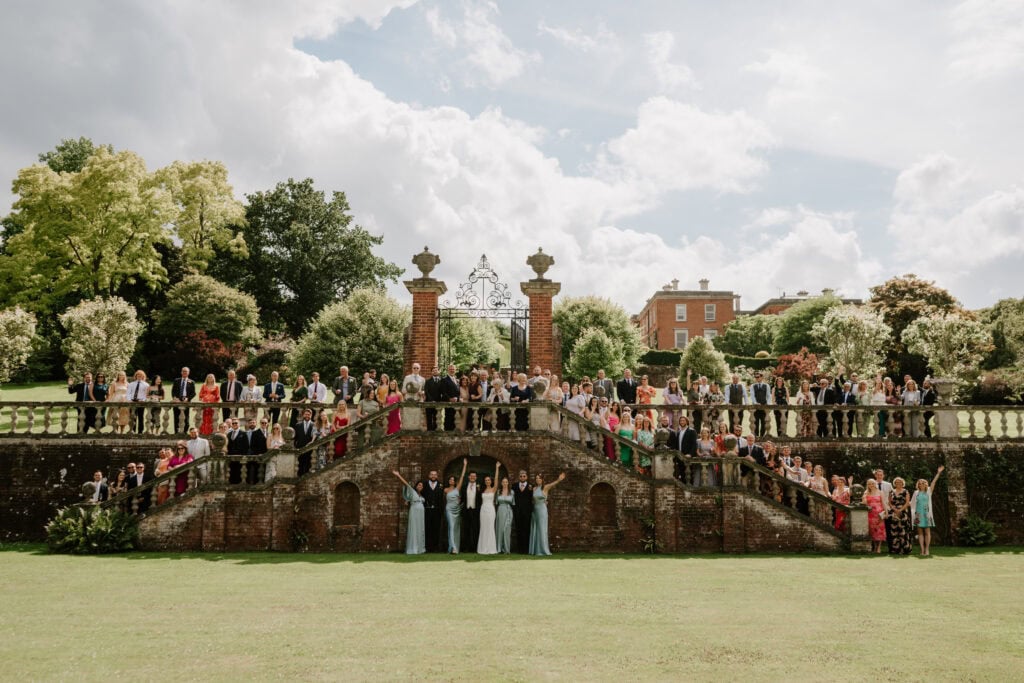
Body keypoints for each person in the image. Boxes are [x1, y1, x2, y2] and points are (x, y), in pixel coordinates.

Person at [528, 472, 567, 556]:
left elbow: (553, 484)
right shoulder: (534, 488)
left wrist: (559, 480)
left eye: (539, 478)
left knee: (542, 529)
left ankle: (543, 550)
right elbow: (532, 500)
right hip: (535, 509)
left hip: (542, 510)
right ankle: (535, 550)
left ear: (542, 480)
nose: (537, 479)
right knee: (536, 528)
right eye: (536, 478)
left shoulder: (545, 487)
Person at [911, 466, 944, 556]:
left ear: (926, 484)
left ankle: (927, 549)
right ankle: (922, 550)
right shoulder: (916, 493)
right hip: (918, 514)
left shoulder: (929, 491)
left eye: (923, 483)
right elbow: (912, 503)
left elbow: (934, 482)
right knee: (920, 532)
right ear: (918, 485)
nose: (921, 484)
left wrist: (938, 473)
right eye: (920, 483)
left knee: (927, 532)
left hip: (926, 514)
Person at [392, 470, 426, 555]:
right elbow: (406, 483)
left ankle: (420, 548)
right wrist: (398, 475)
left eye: (421, 486)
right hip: (414, 512)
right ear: (416, 486)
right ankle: (413, 548)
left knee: (420, 529)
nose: (420, 486)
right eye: (419, 485)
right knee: (414, 529)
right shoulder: (412, 492)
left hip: (421, 515)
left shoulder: (421, 496)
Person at [445, 459, 468, 554]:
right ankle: (453, 547)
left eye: (453, 480)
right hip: (449, 509)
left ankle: (454, 547)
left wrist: (465, 465)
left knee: (456, 528)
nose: (451, 481)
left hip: (457, 510)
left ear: (455, 482)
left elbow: (462, 476)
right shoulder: (445, 490)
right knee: (451, 526)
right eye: (450, 479)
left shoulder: (457, 488)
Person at [477, 462, 500, 555]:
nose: (487, 481)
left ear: (491, 481)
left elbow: (497, 478)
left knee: (490, 527)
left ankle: (490, 548)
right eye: (486, 480)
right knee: (483, 527)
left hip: (491, 509)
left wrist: (497, 468)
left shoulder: (493, 489)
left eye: (489, 480)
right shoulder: (482, 490)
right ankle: (482, 548)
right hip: (483, 510)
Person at [888, 477, 914, 556]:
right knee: (894, 531)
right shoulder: (891, 491)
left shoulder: (906, 491)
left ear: (903, 483)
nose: (898, 483)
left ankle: (904, 549)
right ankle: (895, 549)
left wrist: (900, 510)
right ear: (894, 483)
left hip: (903, 512)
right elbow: (889, 502)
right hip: (894, 512)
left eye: (900, 482)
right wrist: (895, 510)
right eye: (897, 482)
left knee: (903, 531)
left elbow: (907, 502)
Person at [862, 478, 889, 553]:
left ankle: (879, 548)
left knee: (880, 530)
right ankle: (874, 547)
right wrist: (864, 497)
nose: (871, 485)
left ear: (875, 484)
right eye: (869, 484)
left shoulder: (880, 492)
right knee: (872, 530)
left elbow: (883, 503)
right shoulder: (866, 492)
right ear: (867, 485)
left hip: (879, 513)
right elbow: (864, 502)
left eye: (872, 483)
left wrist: (886, 512)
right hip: (870, 514)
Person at [422, 469, 445, 552]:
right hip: (427, 510)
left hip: (437, 511)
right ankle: (427, 547)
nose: (433, 476)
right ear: (429, 476)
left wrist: (441, 511)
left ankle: (435, 548)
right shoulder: (424, 484)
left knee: (436, 529)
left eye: (435, 474)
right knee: (427, 528)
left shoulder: (441, 485)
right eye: (431, 474)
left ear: (437, 476)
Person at [461, 469, 483, 553]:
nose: (472, 477)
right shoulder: (464, 486)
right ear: (468, 477)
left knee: (475, 529)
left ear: (476, 477)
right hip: (466, 510)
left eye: (474, 476)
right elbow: (462, 498)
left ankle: (475, 548)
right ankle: (466, 548)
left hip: (475, 510)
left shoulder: (479, 486)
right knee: (466, 529)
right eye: (471, 476)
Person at [512, 470, 533, 553]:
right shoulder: (514, 486)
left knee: (527, 530)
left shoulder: (531, 486)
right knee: (518, 530)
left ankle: (526, 549)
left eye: (524, 476)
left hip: (527, 512)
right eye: (521, 476)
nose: (522, 477)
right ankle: (519, 549)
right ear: (519, 477)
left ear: (526, 477)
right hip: (517, 512)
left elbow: (533, 498)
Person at [171, 367, 196, 433]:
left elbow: (194, 393)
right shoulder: (176, 380)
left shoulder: (191, 382)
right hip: (177, 400)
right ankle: (176, 432)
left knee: (186, 418)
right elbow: (173, 391)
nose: (184, 372)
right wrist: (175, 398)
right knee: (176, 417)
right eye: (183, 371)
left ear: (188, 373)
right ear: (181, 372)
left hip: (186, 401)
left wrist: (188, 398)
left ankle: (185, 431)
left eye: (186, 371)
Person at [495, 474, 514, 554]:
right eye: (503, 482)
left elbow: (513, 503)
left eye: (506, 482)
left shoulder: (511, 492)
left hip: (508, 511)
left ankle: (506, 549)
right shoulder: (499, 492)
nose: (505, 483)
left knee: (507, 530)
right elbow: (496, 502)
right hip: (500, 510)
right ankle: (499, 548)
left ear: (508, 483)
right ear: (501, 483)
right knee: (499, 529)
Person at [126, 370, 150, 434]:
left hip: (141, 402)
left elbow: (146, 395)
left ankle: (140, 432)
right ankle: (132, 430)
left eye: (141, 375)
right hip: (132, 402)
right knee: (132, 417)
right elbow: (128, 393)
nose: (139, 376)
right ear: (136, 376)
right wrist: (129, 400)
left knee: (140, 417)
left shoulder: (146, 385)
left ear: (143, 376)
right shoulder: (131, 384)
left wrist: (143, 400)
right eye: (138, 375)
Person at [749, 371, 771, 437]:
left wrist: (767, 403)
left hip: (764, 406)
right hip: (756, 407)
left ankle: (762, 436)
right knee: (755, 422)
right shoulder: (753, 386)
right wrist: (755, 403)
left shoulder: (766, 386)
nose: (756, 378)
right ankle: (756, 436)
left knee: (764, 422)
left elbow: (768, 396)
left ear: (762, 377)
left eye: (758, 377)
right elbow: (752, 395)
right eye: (755, 377)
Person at [424, 366, 444, 431]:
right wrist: (431, 400)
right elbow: (426, 392)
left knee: (437, 417)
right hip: (429, 402)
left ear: (438, 371)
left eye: (436, 370)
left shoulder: (442, 381)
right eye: (433, 370)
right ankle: (429, 432)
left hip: (438, 402)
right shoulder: (427, 381)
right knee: (429, 418)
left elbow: (443, 391)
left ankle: (435, 431)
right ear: (431, 372)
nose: (435, 371)